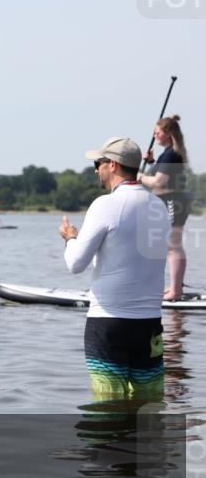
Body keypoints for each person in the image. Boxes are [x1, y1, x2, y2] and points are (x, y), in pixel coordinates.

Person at [59, 137, 169, 400]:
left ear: (113, 165)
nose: (96, 169)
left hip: (109, 323)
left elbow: (75, 264)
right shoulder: (160, 207)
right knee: (148, 407)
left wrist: (70, 237)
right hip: (150, 325)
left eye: (98, 163)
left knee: (108, 409)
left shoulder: (105, 205)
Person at [137, 115, 191, 301]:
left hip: (173, 201)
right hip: (171, 200)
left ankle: (176, 291)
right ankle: (175, 287)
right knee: (172, 246)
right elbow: (162, 174)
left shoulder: (170, 154)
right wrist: (152, 163)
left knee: (173, 246)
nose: (155, 135)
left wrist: (140, 176)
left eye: (157, 132)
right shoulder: (168, 153)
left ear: (168, 134)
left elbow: (159, 181)